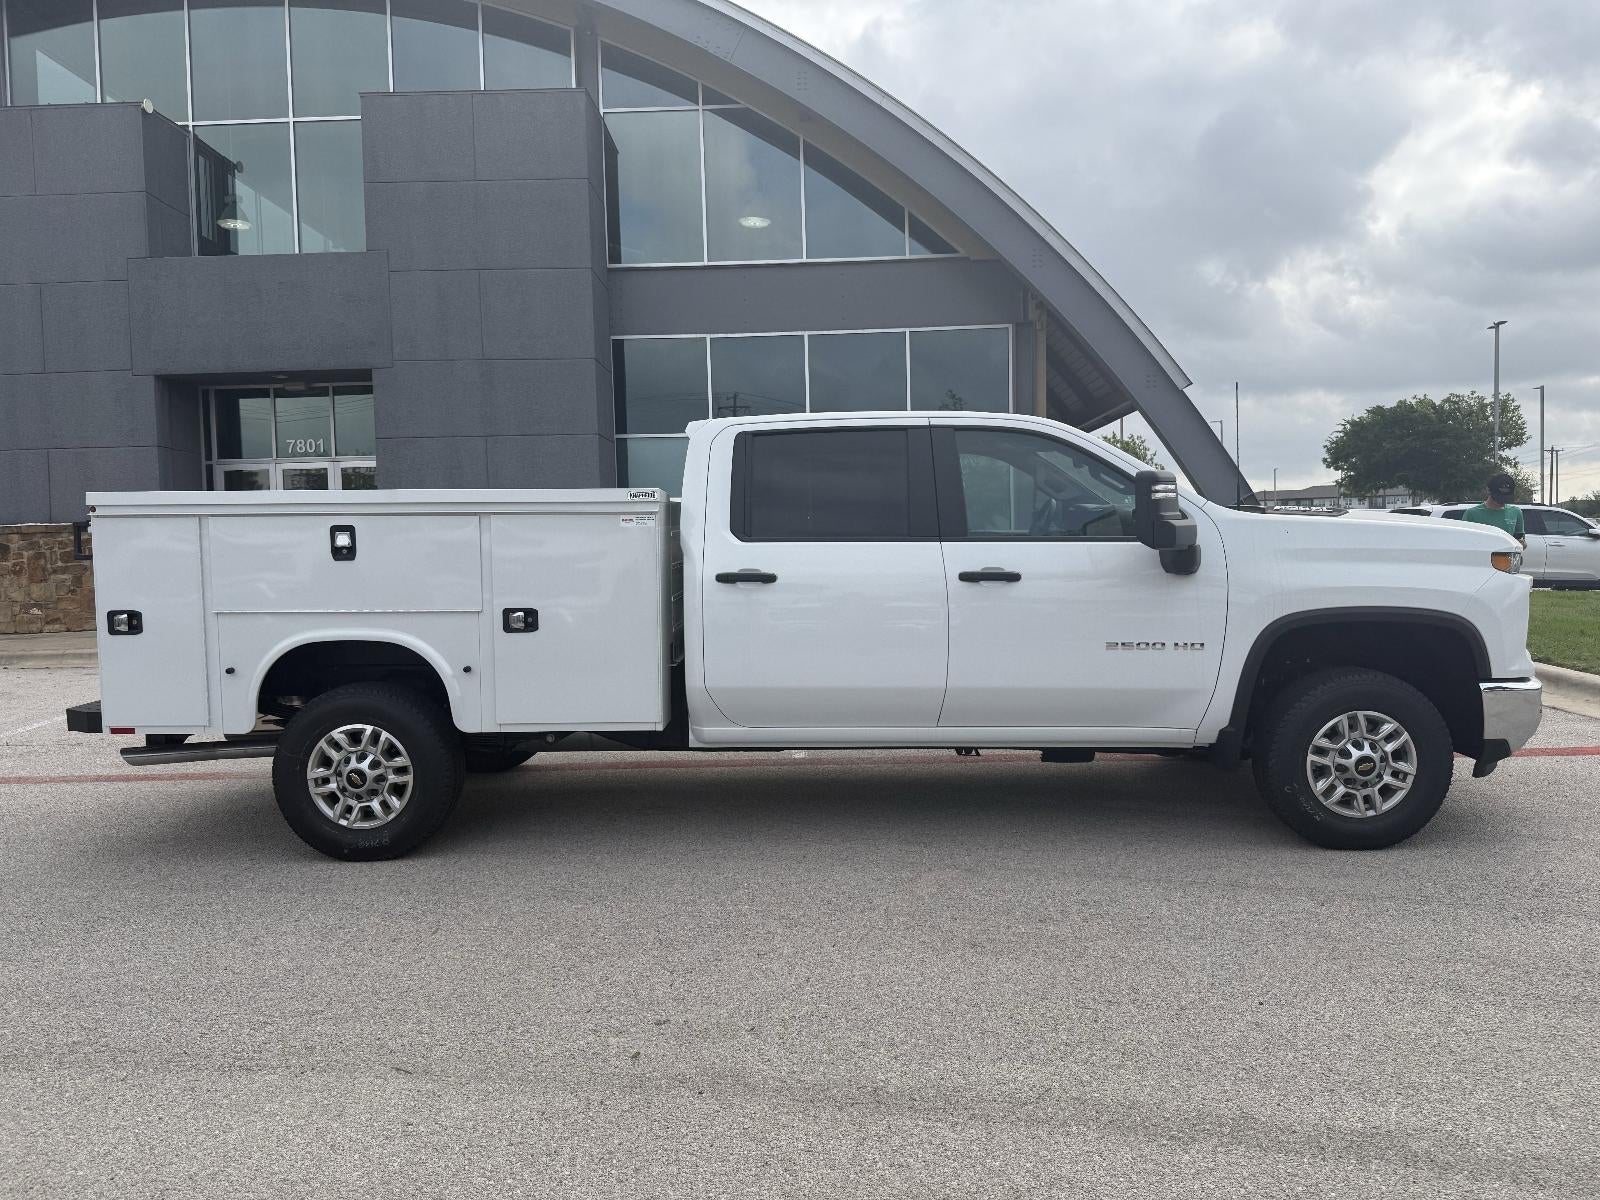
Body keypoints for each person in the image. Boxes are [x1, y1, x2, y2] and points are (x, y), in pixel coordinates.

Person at [1460, 473, 1526, 547]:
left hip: (1506, 557)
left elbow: (1522, 543)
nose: (1502, 501)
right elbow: (1463, 542)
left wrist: (1521, 543)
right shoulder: (1472, 514)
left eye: (1506, 497)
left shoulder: (1516, 512)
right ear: (1488, 490)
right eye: (1499, 497)